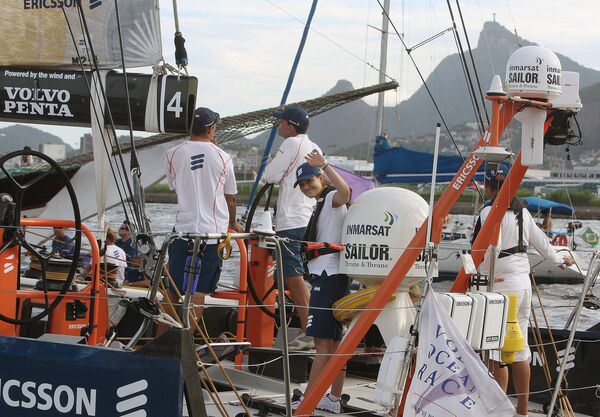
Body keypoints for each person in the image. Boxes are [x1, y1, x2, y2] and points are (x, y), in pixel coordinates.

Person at [474, 162, 574, 417]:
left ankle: (498, 409)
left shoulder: (487, 214)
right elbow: (544, 245)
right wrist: (562, 260)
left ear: (487, 186)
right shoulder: (523, 213)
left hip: (501, 287)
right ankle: (521, 411)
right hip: (522, 286)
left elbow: (482, 253)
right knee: (520, 348)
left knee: (496, 349)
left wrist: (476, 278)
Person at [165, 107, 242, 318]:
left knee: (173, 290)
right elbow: (231, 198)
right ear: (211, 128)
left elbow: (174, 185)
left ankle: (162, 340)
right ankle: (188, 341)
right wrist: (233, 223)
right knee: (198, 291)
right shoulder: (224, 156)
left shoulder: (172, 153)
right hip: (212, 233)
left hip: (183, 230)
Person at [291, 151, 351, 414]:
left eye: (309, 180)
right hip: (330, 276)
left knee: (322, 343)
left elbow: (346, 191)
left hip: (328, 277)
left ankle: (309, 401)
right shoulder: (322, 202)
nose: (306, 187)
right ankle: (333, 399)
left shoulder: (331, 200)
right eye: (302, 184)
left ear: (321, 178)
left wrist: (325, 164)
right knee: (333, 344)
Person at [263, 105, 322, 342]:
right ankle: (317, 327)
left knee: (292, 276)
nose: (278, 125)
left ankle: (310, 332)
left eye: (281, 121)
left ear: (290, 125)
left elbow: (270, 176)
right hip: (310, 218)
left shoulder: (290, 144)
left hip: (290, 221)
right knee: (306, 275)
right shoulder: (314, 146)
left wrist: (270, 164)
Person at [116, 221, 149, 287]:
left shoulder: (133, 245)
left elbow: (132, 262)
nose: (120, 230)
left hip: (126, 273)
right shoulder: (116, 242)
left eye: (123, 229)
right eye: (120, 228)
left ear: (129, 232)